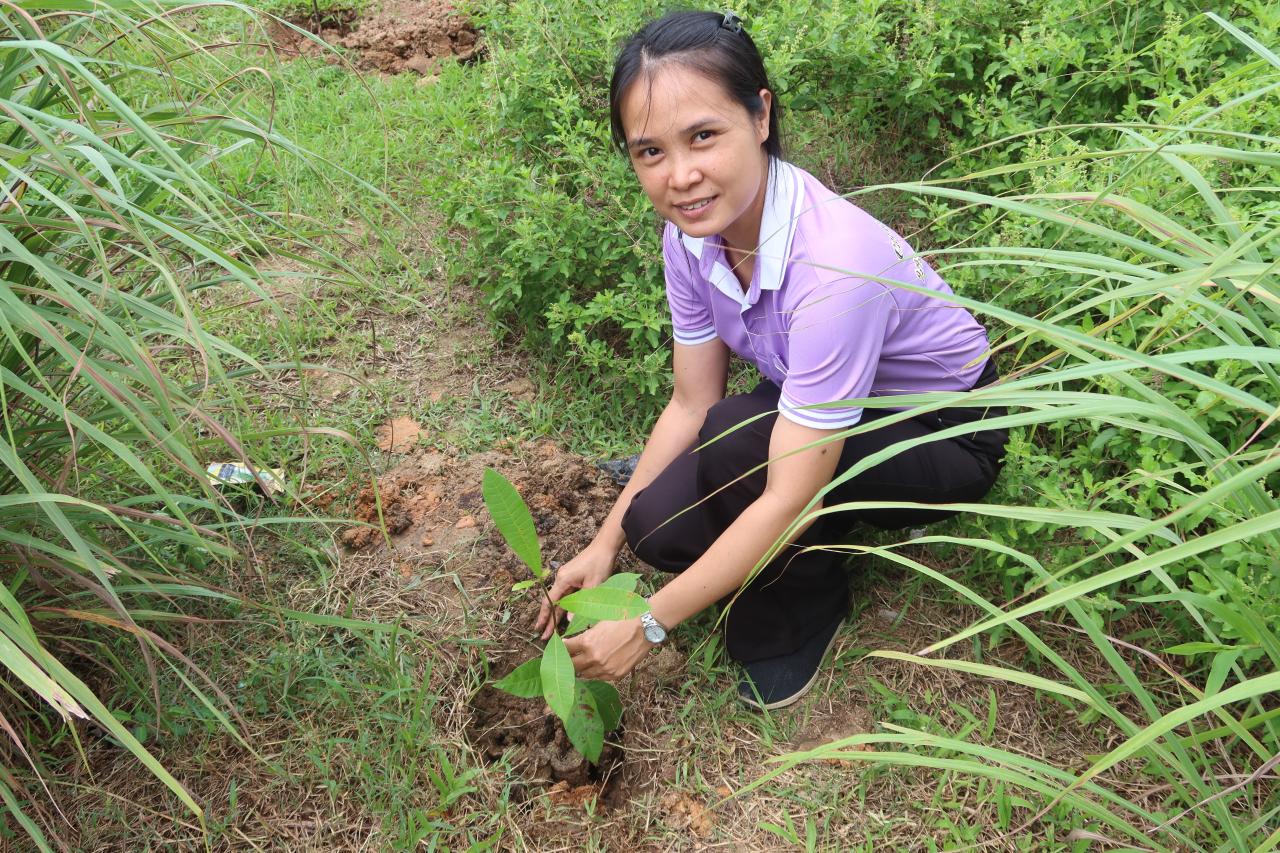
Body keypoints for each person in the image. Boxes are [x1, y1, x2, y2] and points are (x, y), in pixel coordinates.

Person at [533, 10, 1008, 710]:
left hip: (941, 428)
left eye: (702, 136)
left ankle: (803, 607)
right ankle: (779, 495)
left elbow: (787, 492)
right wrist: (605, 544)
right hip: (822, 405)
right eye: (650, 152)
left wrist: (647, 622)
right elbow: (690, 401)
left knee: (738, 450)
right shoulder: (692, 239)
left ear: (760, 115)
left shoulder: (836, 264)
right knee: (653, 529)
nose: (681, 176)